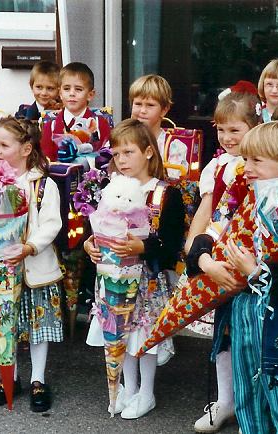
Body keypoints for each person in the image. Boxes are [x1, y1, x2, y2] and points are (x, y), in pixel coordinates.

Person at [187, 121, 278, 433]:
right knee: (245, 386)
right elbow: (212, 231)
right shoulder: (241, 193)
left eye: (256, 160)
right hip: (239, 306)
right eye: (245, 159)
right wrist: (206, 261)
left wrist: (257, 271)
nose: (246, 166)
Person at [84, 119, 185, 419]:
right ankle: (127, 387)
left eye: (128, 152)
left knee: (144, 335)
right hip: (113, 276)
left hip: (147, 280)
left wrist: (143, 247)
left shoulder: (165, 194)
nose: (122, 160)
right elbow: (97, 226)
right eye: (116, 155)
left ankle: (147, 391)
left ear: (149, 152)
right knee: (120, 333)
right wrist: (90, 244)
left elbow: (171, 240)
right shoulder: (109, 188)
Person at [0, 116, 64, 412]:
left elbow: (51, 224)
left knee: (37, 326)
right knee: (6, 326)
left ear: (26, 148)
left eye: (3, 144)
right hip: (0, 274)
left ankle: (37, 378)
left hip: (34, 270)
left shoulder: (42, 185)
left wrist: (29, 246)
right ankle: (11, 377)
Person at [186, 89, 261, 433]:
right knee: (224, 332)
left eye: (236, 130)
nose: (228, 138)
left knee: (252, 334)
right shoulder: (217, 165)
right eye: (221, 130)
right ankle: (226, 399)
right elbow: (208, 206)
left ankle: (253, 404)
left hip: (250, 256)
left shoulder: (261, 162)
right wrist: (193, 246)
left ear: (254, 127)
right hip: (218, 252)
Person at [40, 62, 111, 161]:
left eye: (78, 89)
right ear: (60, 93)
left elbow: (107, 157)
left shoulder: (100, 124)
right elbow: (45, 161)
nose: (72, 93)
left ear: (90, 94)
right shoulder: (51, 126)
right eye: (66, 89)